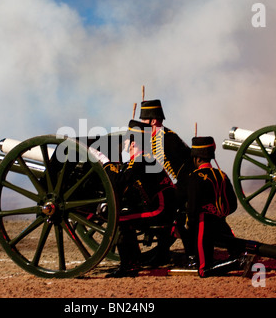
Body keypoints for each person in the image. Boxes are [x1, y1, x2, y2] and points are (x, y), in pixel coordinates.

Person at [104, 120, 177, 278]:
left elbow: (119, 182)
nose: (124, 142)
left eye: (127, 139)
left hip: (160, 208)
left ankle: (129, 265)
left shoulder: (140, 160)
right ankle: (142, 259)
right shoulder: (145, 158)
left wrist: (106, 165)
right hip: (164, 206)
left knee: (120, 219)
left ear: (133, 142)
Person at [139, 99, 193, 260]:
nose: (142, 123)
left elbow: (177, 168)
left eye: (144, 120)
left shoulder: (164, 139)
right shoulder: (159, 136)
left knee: (163, 204)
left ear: (153, 121)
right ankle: (162, 248)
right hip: (178, 184)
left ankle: (170, 250)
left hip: (184, 185)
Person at [185, 136, 244, 278]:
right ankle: (237, 259)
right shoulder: (222, 175)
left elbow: (192, 208)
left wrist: (189, 226)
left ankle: (238, 262)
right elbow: (233, 204)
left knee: (203, 270)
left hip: (203, 224)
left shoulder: (195, 176)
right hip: (221, 223)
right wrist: (220, 213)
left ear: (197, 158)